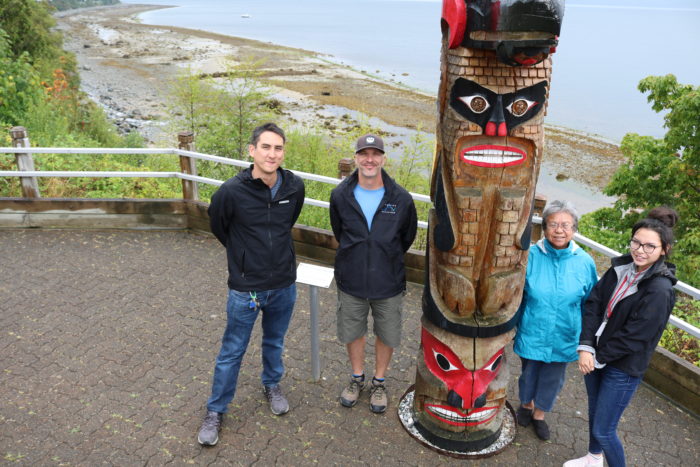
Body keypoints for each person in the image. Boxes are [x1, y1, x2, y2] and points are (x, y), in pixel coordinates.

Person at [197, 123, 305, 446]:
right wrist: (243, 258)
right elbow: (219, 226)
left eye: (278, 148)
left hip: (284, 284)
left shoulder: (294, 187)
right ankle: (216, 410)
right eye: (266, 147)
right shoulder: (231, 191)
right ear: (252, 150)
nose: (272, 154)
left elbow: (288, 222)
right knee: (232, 351)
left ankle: (272, 384)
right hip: (246, 288)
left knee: (275, 342)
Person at [564, 207, 678, 467]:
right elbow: (593, 304)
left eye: (650, 246)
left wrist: (597, 356)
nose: (640, 250)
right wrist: (585, 346)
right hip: (595, 354)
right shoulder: (621, 268)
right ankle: (593, 458)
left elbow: (637, 336)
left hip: (622, 367)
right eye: (636, 242)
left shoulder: (660, 289)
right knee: (595, 413)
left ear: (664, 250)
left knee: (605, 429)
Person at [329, 133, 417, 414]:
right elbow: (339, 231)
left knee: (387, 334)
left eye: (375, 154)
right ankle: (357, 378)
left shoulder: (401, 198)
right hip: (351, 279)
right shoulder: (340, 195)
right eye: (364, 154)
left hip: (387, 281)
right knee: (353, 332)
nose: (369, 159)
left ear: (383, 159)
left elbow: (407, 237)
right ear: (355, 158)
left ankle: (379, 381)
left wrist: (383, 254)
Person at [514, 200, 598, 440]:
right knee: (529, 373)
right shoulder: (530, 255)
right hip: (533, 327)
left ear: (574, 229)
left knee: (553, 378)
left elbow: (591, 305)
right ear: (545, 227)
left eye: (565, 225)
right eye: (553, 224)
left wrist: (587, 341)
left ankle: (540, 414)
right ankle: (526, 405)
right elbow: (517, 294)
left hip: (565, 332)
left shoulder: (584, 262)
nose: (559, 230)